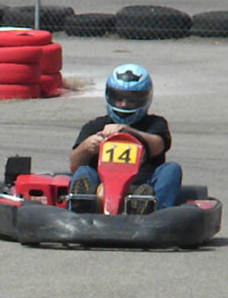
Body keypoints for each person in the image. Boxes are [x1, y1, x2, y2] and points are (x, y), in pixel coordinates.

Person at [68, 63, 182, 215]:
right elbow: (74, 165)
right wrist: (87, 147)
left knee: (171, 169)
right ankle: (82, 207)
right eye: (118, 98)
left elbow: (158, 146)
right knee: (83, 171)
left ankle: (152, 211)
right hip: (102, 189)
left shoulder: (155, 123)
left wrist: (128, 131)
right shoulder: (95, 126)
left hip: (143, 186)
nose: (123, 104)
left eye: (132, 100)